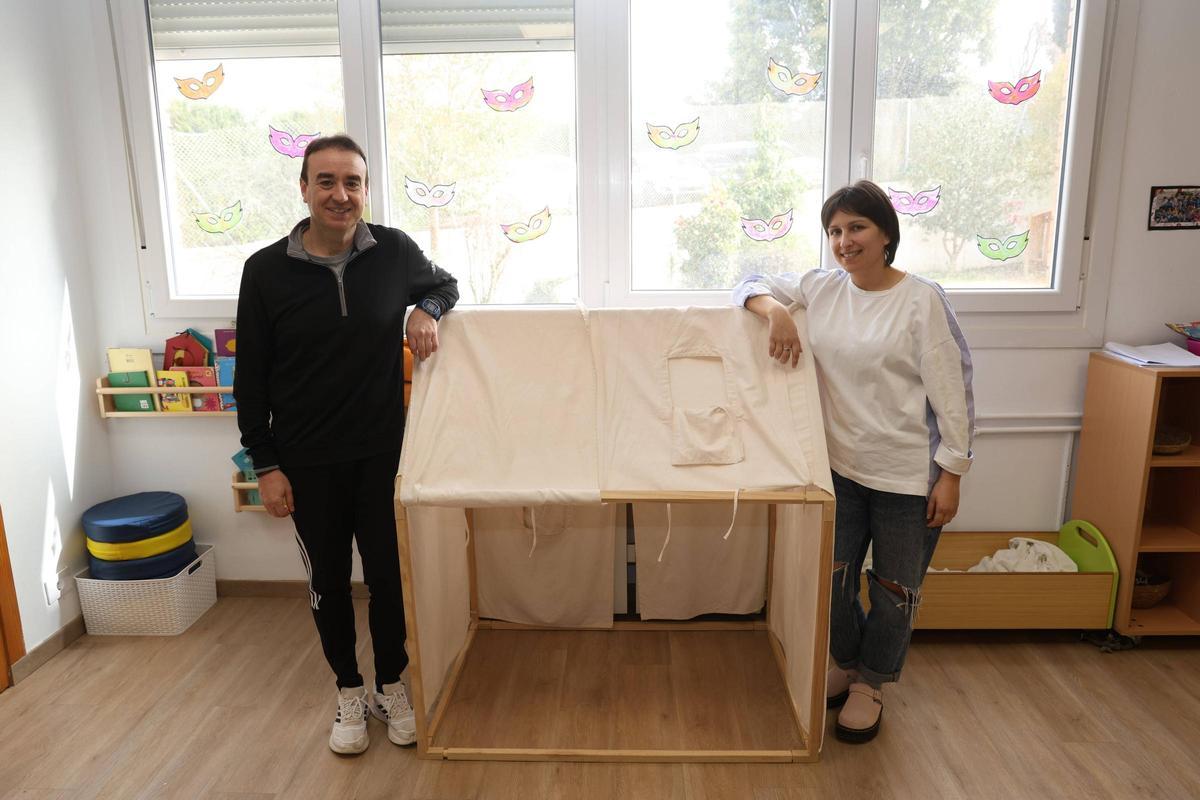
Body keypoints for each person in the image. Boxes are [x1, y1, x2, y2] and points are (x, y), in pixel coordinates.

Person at [234, 134, 459, 754]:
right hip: (306, 462)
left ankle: (392, 684)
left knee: (389, 577)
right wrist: (267, 463)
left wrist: (427, 310)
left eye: (352, 182)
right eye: (326, 181)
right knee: (329, 582)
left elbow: (446, 284)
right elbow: (249, 379)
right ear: (303, 189)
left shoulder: (393, 251)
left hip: (384, 455)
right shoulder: (264, 271)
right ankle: (348, 693)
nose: (340, 194)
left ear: (365, 190)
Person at [733, 179, 973, 744]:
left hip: (908, 477)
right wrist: (776, 313)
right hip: (839, 470)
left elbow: (952, 390)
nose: (845, 240)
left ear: (887, 233)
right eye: (835, 231)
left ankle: (872, 683)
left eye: (857, 227)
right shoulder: (822, 289)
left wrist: (953, 473)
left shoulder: (922, 300)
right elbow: (749, 281)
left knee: (894, 591)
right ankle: (847, 661)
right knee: (833, 580)